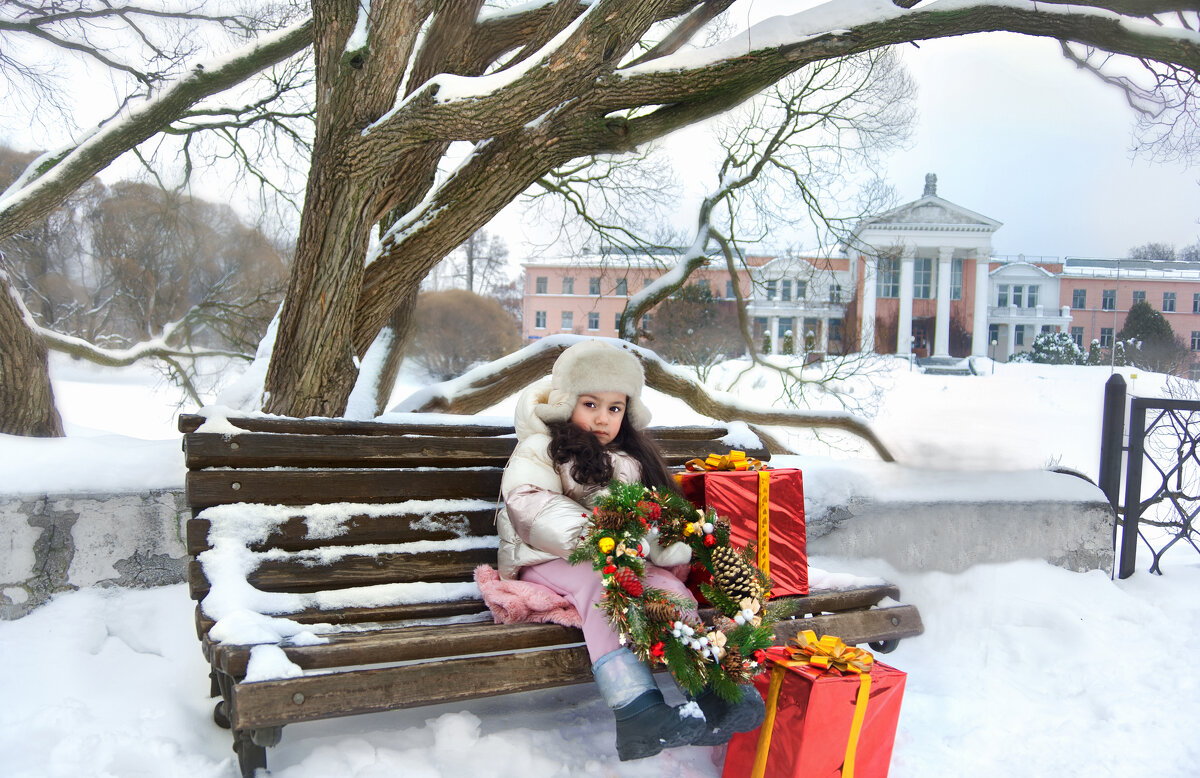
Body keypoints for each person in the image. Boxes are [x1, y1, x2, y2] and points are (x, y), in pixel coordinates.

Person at [496, 339, 764, 761]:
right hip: (548, 558)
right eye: (590, 404)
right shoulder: (541, 447)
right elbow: (532, 505)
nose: (602, 418)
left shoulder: (633, 461)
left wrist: (660, 541)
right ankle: (636, 710)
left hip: (620, 557)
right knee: (607, 586)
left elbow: (655, 521)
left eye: (615, 408)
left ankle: (716, 692)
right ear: (567, 403)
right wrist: (606, 534)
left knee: (671, 594)